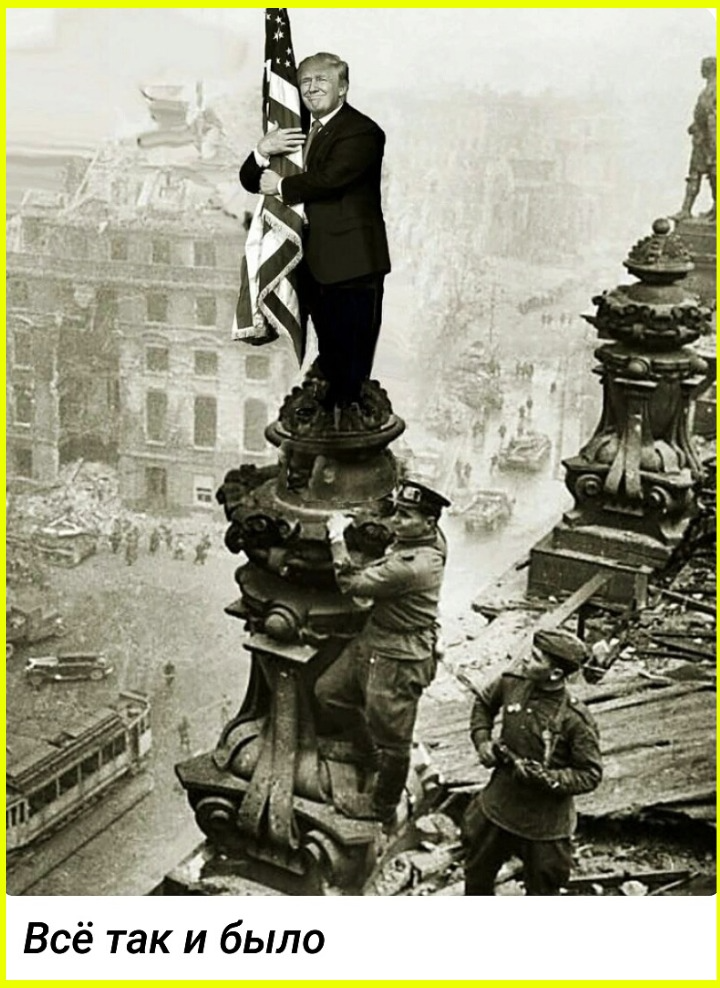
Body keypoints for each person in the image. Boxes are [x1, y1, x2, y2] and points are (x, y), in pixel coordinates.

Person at [239, 51, 391, 412]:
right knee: (329, 354)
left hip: (352, 265)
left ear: (343, 88)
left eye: (321, 80)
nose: (311, 88)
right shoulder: (295, 129)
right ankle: (327, 418)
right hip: (308, 262)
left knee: (351, 363)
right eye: (305, 81)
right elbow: (249, 180)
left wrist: (280, 186)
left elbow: (332, 179)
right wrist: (262, 150)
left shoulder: (362, 131)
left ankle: (345, 426)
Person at [315, 480, 450, 826]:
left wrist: (336, 536)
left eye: (406, 517)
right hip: (376, 637)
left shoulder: (414, 565)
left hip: (399, 657)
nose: (396, 522)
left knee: (394, 741)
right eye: (397, 513)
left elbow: (351, 583)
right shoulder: (431, 539)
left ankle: (382, 806)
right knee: (329, 692)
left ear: (428, 522)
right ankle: (367, 752)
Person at [462, 629, 602, 896]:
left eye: (536, 658)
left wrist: (549, 778)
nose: (526, 659)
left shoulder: (575, 720)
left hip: (545, 825)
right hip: (499, 807)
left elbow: (590, 774)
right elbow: (483, 703)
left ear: (556, 674)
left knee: (543, 890)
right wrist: (482, 740)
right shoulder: (512, 683)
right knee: (477, 877)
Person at [674, 56, 716, 221]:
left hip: (710, 141)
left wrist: (713, 145)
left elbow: (712, 118)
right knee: (694, 174)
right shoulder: (708, 89)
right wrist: (695, 125)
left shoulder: (714, 90)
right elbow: (702, 115)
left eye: (703, 66)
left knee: (714, 175)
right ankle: (686, 210)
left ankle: (716, 210)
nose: (701, 70)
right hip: (701, 139)